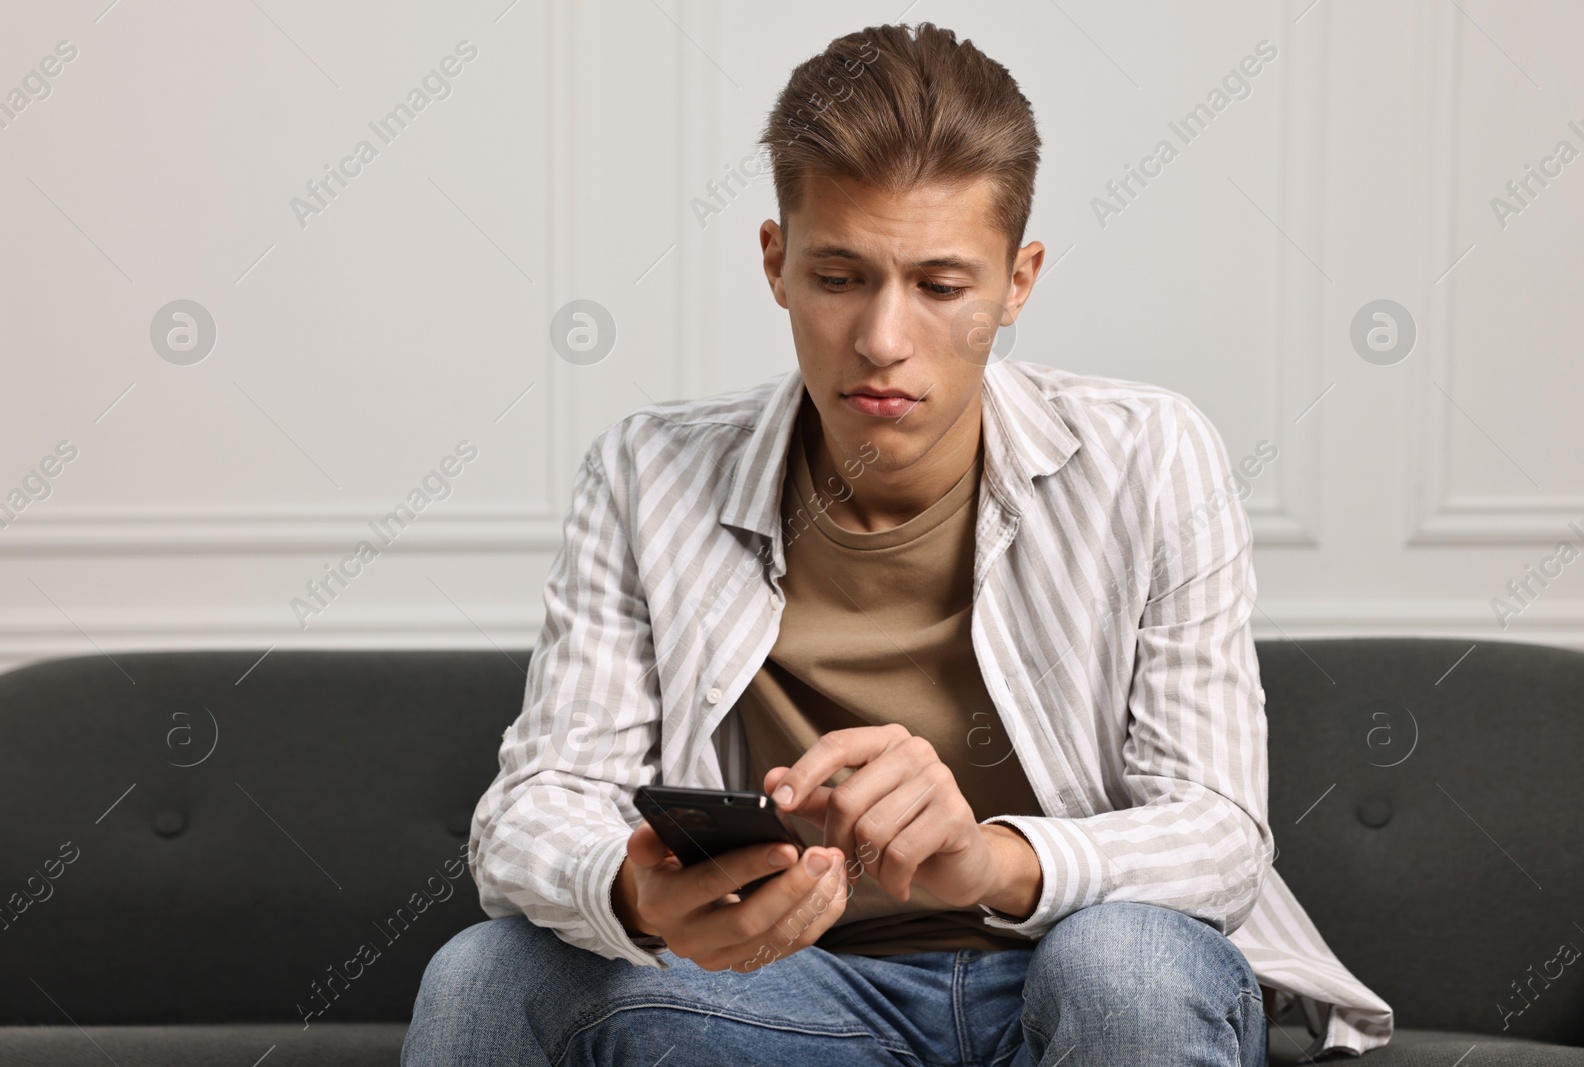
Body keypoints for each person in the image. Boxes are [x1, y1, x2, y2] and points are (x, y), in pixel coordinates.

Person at [402, 21, 1392, 1066]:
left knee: (1128, 969)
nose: (882, 339)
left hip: (1067, 971)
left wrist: (989, 859)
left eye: (939, 285)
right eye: (839, 277)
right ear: (775, 263)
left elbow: (1218, 832)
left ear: (1018, 282)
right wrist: (637, 890)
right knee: (486, 974)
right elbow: (530, 812)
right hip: (784, 993)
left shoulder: (1151, 455)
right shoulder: (647, 472)